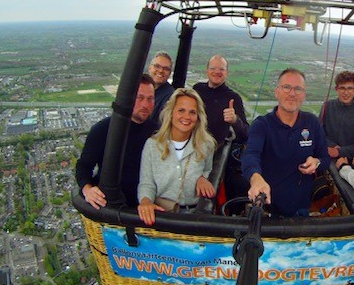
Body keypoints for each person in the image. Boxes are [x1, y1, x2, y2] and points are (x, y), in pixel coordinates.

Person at [242, 68, 331, 217]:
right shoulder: (262, 125)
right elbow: (250, 154)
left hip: (302, 208)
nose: (292, 93)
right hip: (269, 208)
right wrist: (255, 178)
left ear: (304, 95)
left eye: (298, 89)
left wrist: (316, 162)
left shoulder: (312, 122)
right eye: (286, 87)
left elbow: (325, 158)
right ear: (277, 91)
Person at [75, 74, 157, 209]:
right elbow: (84, 166)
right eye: (140, 98)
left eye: (150, 99)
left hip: (145, 207)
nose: (145, 104)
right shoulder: (103, 130)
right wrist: (87, 189)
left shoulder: (157, 132)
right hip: (111, 207)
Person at [137, 88, 216, 225]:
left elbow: (208, 169)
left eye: (192, 112)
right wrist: (145, 202)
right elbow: (147, 182)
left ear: (198, 117)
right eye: (181, 110)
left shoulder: (206, 145)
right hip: (162, 216)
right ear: (171, 112)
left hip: (194, 217)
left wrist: (203, 178)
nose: (187, 117)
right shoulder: (152, 145)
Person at [193, 55, 250, 204]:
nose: (217, 72)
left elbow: (245, 134)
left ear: (227, 73)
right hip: (191, 148)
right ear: (207, 71)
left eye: (221, 69)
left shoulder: (233, 98)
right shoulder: (197, 90)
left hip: (213, 154)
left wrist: (235, 120)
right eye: (213, 68)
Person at [320, 70, 354, 161]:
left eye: (350, 88)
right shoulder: (327, 106)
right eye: (342, 88)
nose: (346, 92)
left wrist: (339, 152)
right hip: (326, 156)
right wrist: (332, 146)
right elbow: (319, 132)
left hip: (350, 161)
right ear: (336, 89)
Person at [148, 51, 175, 125]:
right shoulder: (139, 89)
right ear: (150, 68)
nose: (161, 71)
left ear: (170, 73)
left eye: (166, 69)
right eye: (157, 66)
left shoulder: (170, 97)